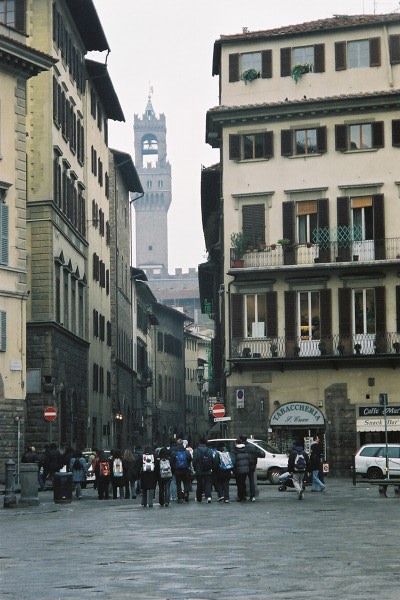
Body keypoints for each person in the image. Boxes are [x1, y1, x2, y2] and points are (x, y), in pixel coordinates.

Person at [171, 439, 192, 503]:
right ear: (183, 444)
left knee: (178, 484)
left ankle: (180, 498)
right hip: (185, 469)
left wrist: (174, 468)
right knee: (186, 483)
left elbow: (172, 461)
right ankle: (186, 494)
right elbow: (190, 459)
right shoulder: (187, 452)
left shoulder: (174, 452)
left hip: (177, 470)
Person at [193, 438, 214, 503]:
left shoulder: (196, 450)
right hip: (207, 470)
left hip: (199, 469)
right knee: (208, 483)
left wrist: (195, 468)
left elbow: (194, 461)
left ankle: (199, 497)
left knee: (199, 483)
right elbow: (211, 459)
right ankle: (209, 496)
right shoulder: (209, 450)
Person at [240, 435, 260, 502]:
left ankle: (243, 495)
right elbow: (260, 453)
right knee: (251, 481)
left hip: (244, 465)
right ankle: (252, 496)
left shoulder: (242, 447)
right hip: (252, 466)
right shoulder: (252, 446)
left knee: (242, 481)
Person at [233, 437, 250, 502]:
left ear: (236, 443)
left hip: (238, 470)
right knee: (243, 483)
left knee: (239, 483)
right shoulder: (246, 450)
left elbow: (234, 461)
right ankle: (244, 495)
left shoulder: (235, 451)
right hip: (245, 469)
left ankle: (240, 496)